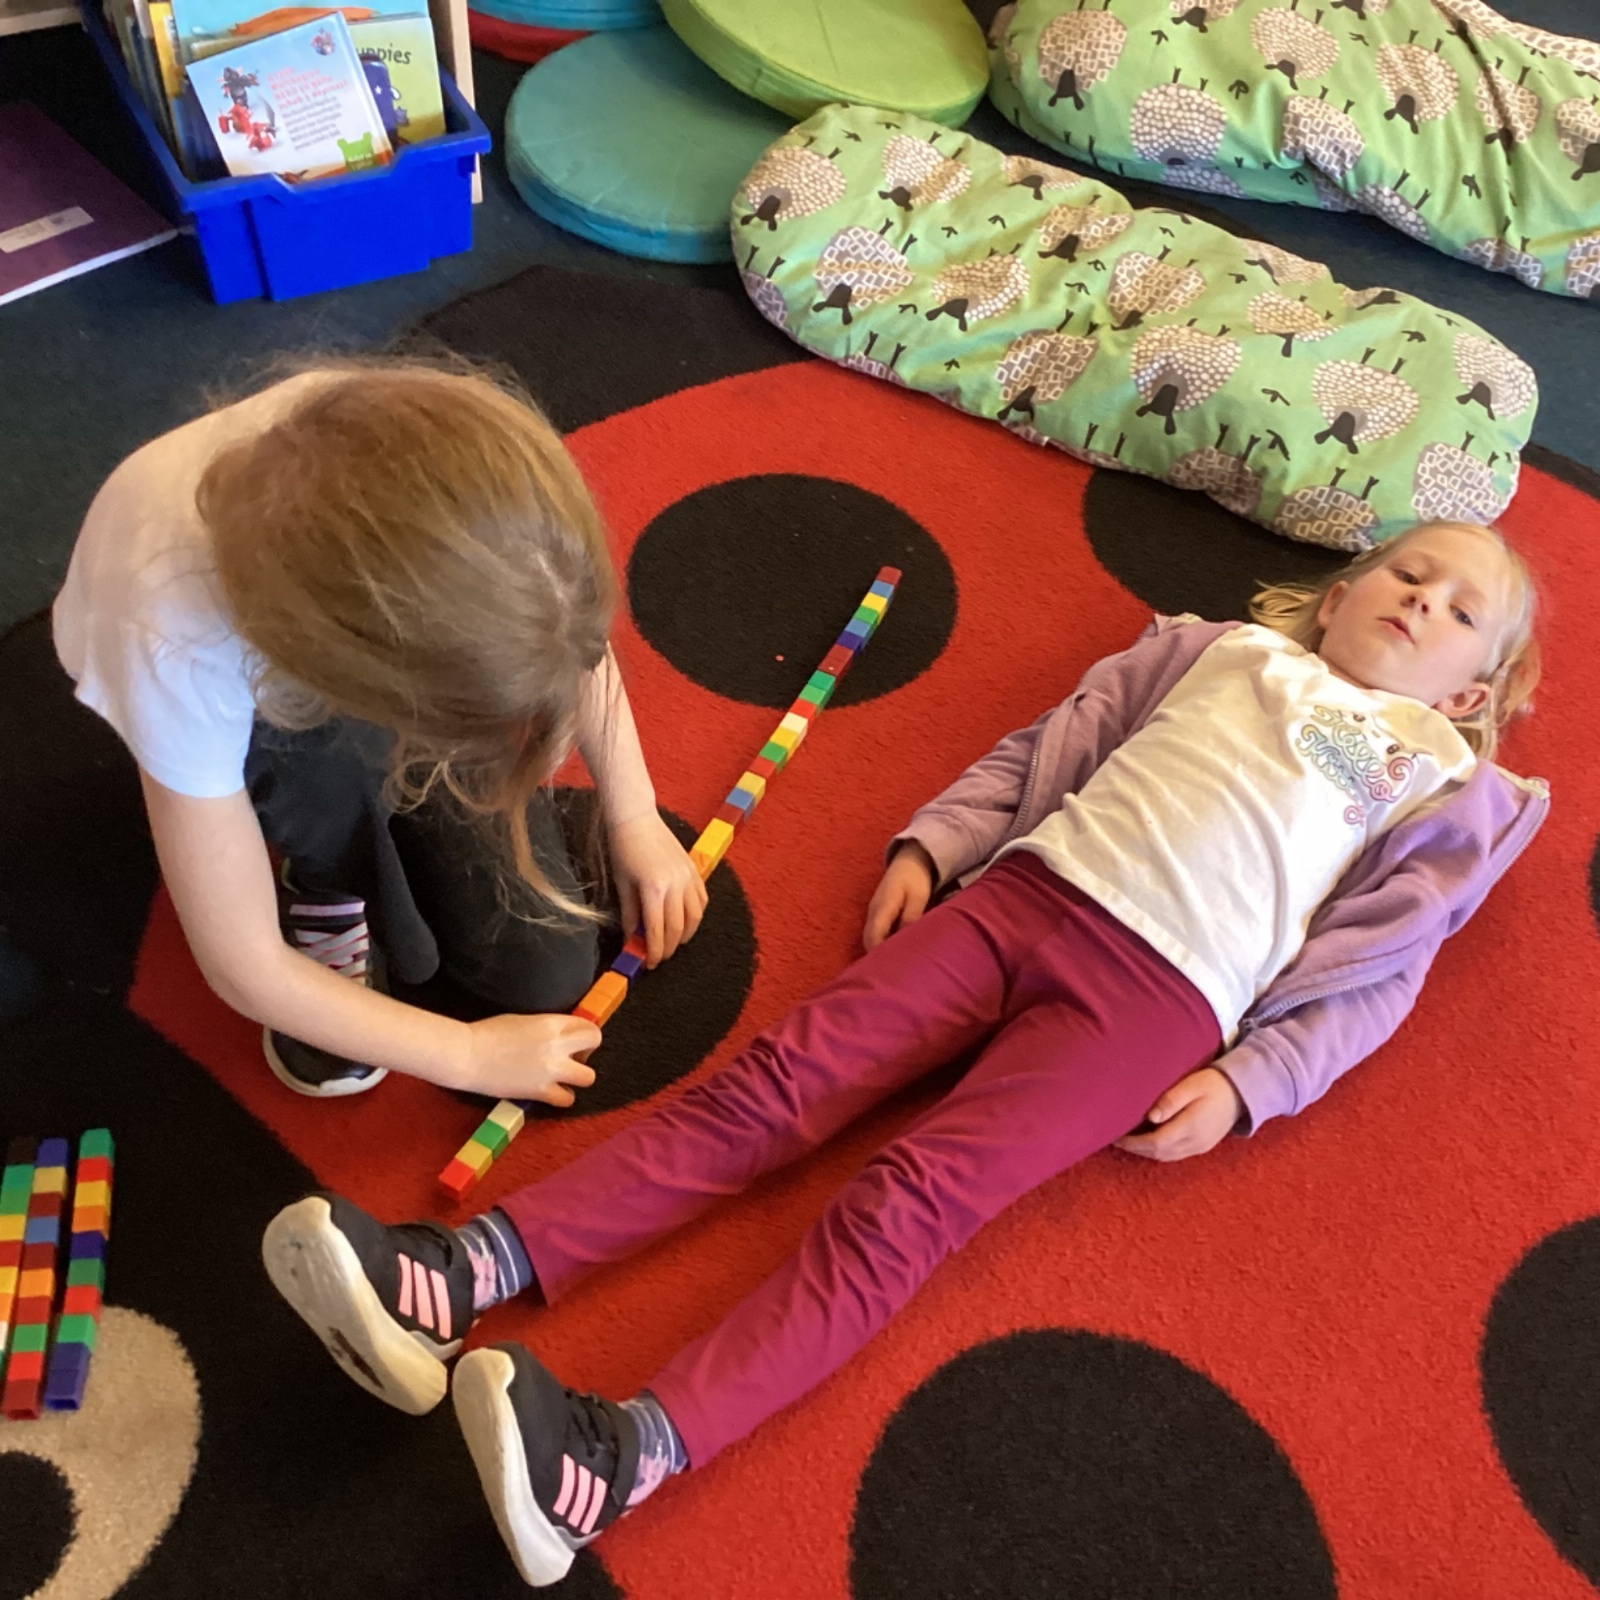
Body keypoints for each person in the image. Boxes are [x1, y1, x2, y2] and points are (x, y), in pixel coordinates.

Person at [261, 520, 1547, 1588]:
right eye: (1406, 573)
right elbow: (1055, 740)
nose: (1421, 601)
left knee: (907, 1205)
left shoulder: (1442, 782)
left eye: (1459, 611)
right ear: (1337, 596)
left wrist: (1254, 1080)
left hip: (1158, 1003)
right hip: (1021, 895)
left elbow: (1378, 972)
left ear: (1471, 694)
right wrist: (938, 841)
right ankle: (458, 1270)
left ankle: (620, 1457)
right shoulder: (1215, 651)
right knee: (772, 1085)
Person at [52, 357, 706, 1102]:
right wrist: (465, 1055)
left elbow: (561, 626)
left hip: (365, 631)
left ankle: (376, 823)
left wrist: (633, 815)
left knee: (543, 973)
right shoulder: (172, 646)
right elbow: (240, 962)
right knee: (329, 791)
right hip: (258, 697)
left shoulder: (483, 460)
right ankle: (322, 879)